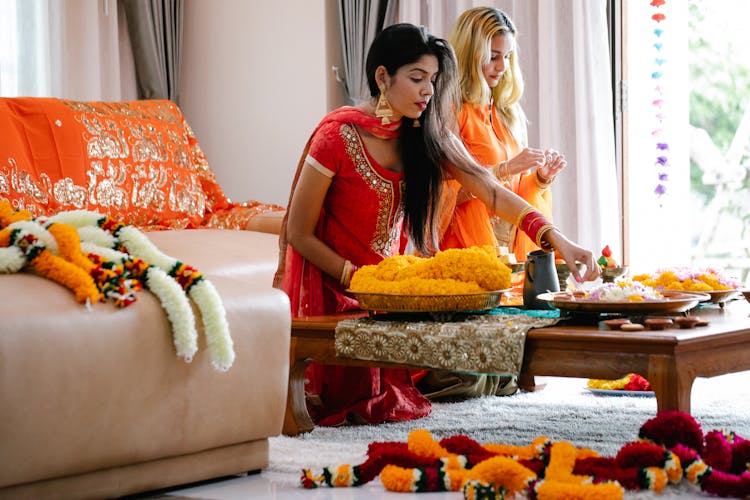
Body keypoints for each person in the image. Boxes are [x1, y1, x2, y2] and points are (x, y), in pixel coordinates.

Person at [273, 23, 599, 426]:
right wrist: (357, 278)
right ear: (382, 77)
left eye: (432, 80)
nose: (428, 91)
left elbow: (492, 193)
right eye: (416, 78)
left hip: (390, 299)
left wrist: (558, 239)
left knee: (482, 362)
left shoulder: (427, 137)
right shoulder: (338, 137)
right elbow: (297, 233)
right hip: (335, 296)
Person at [440, 7, 566, 263]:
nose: (502, 67)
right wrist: (504, 168)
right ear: (469, 56)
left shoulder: (510, 113)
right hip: (465, 250)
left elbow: (517, 191)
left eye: (507, 57)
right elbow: (442, 197)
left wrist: (541, 178)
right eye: (493, 57)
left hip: (512, 251)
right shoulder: (451, 111)